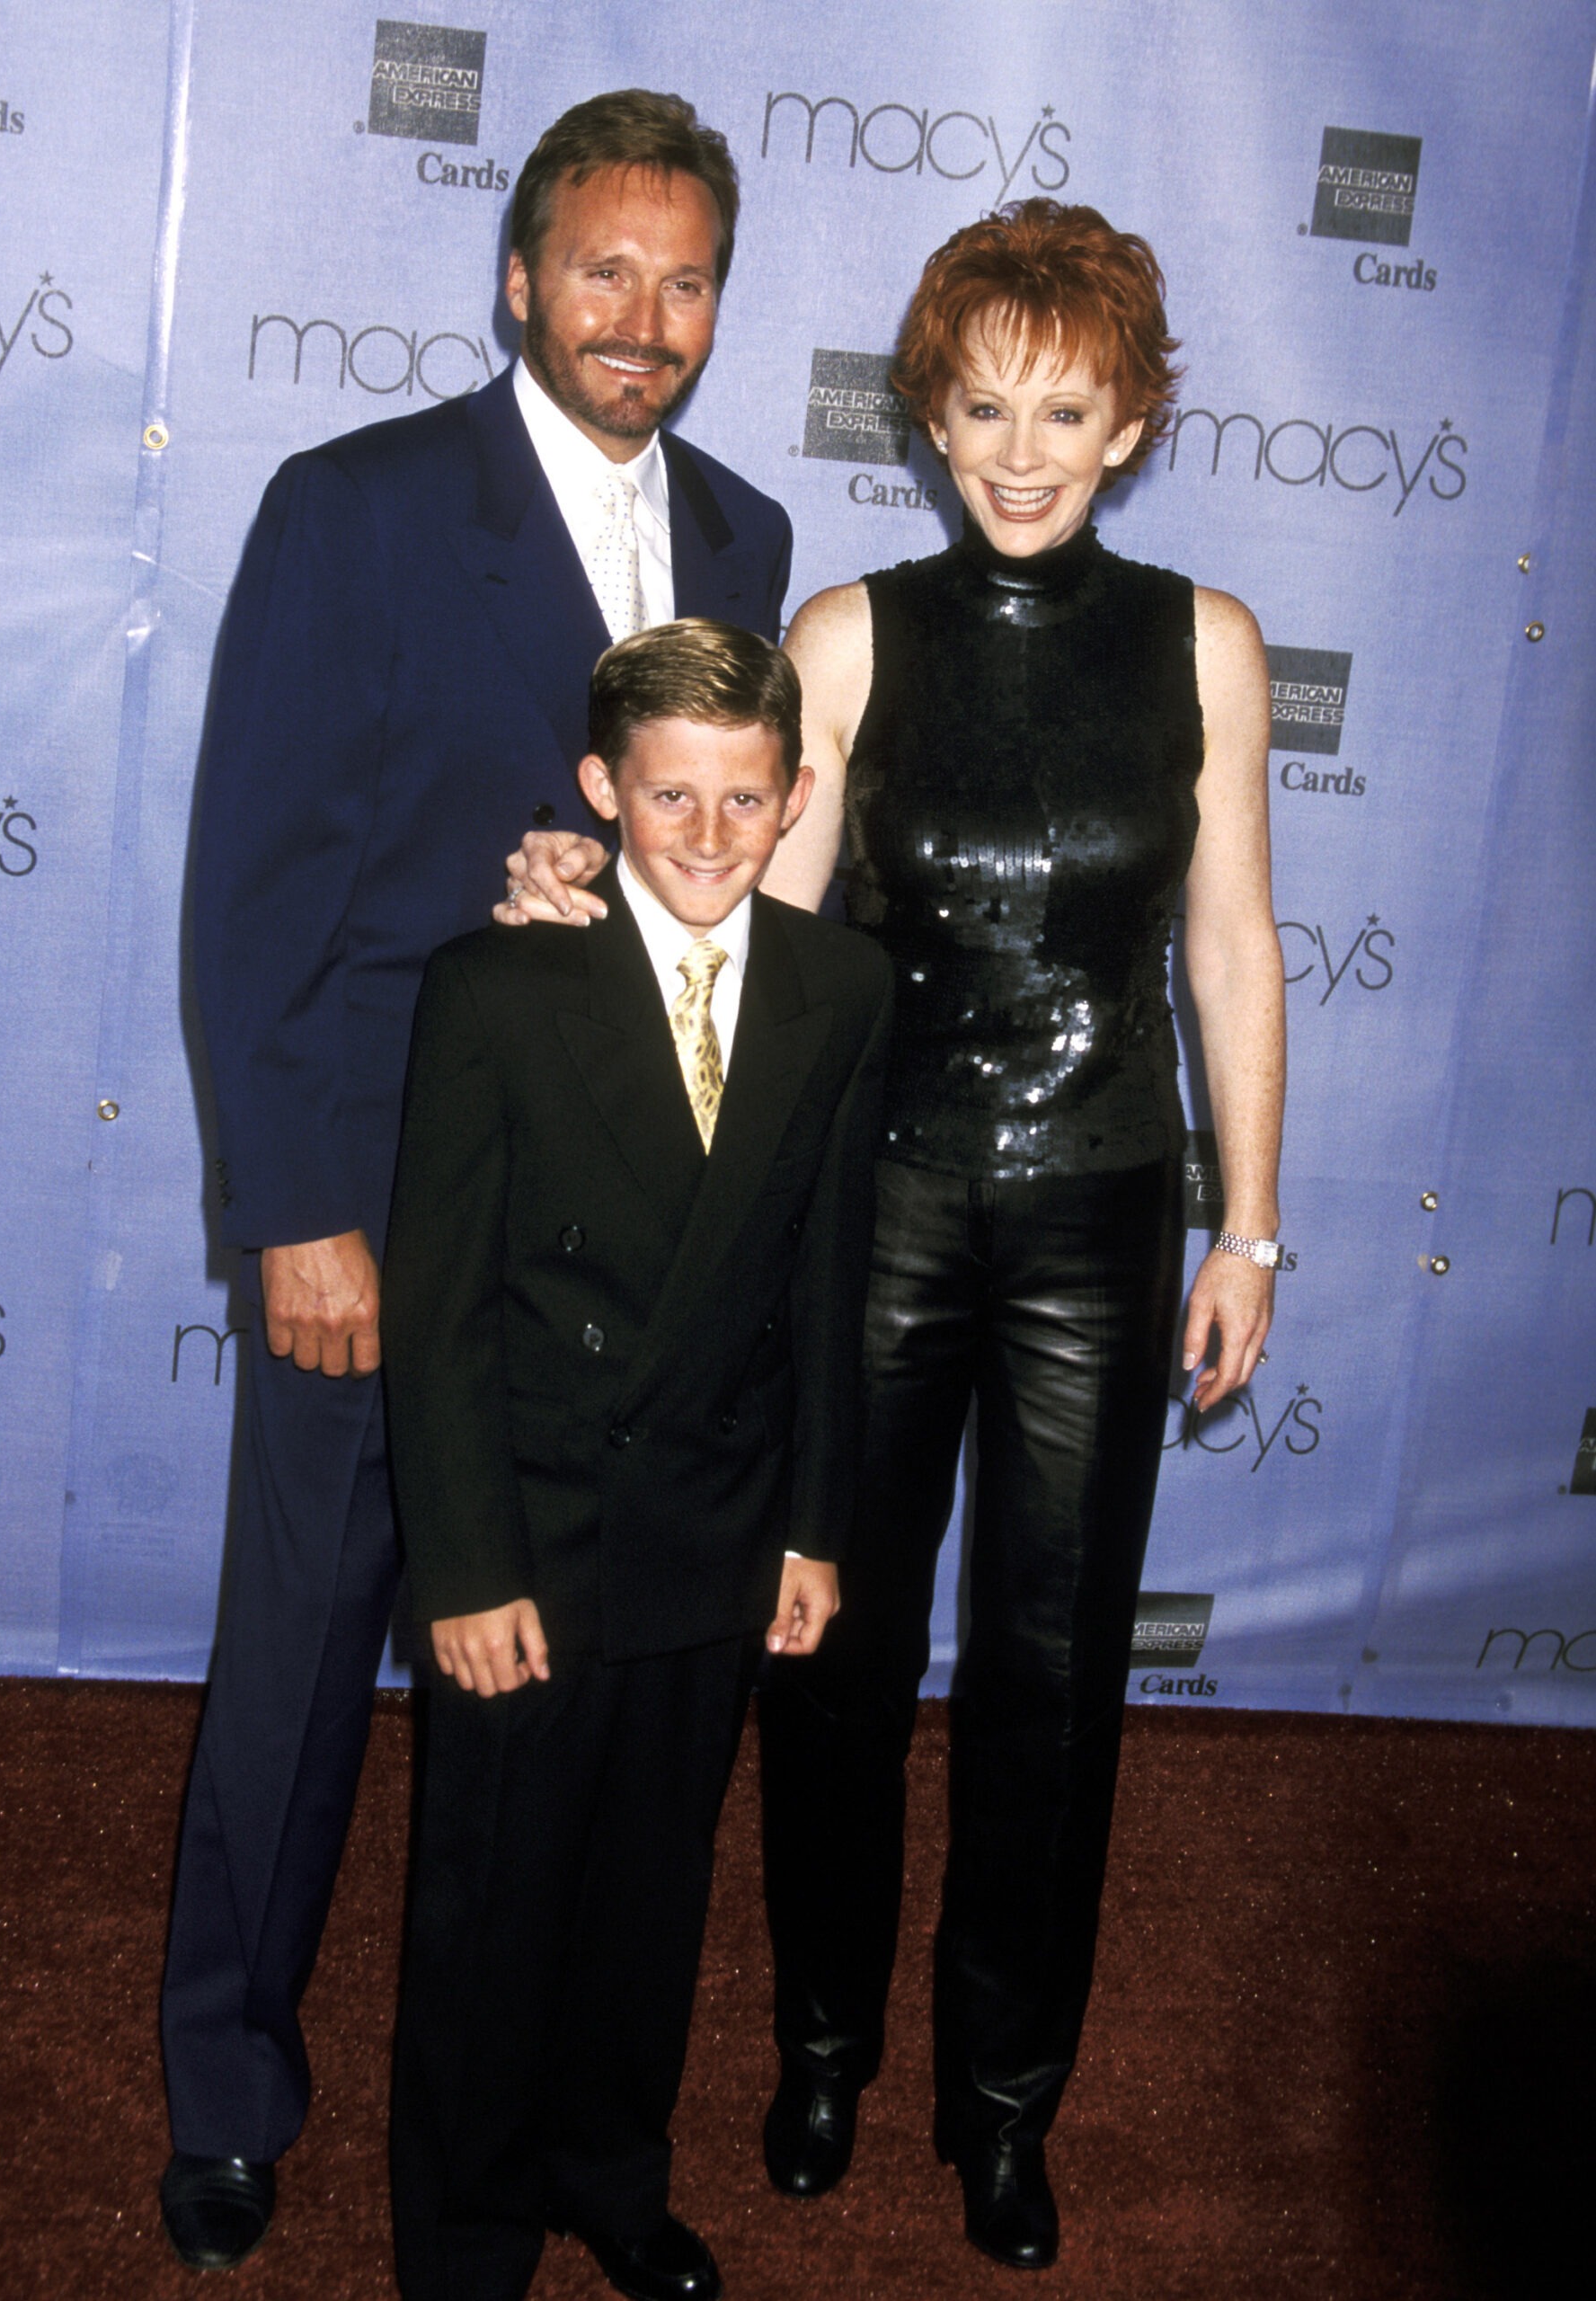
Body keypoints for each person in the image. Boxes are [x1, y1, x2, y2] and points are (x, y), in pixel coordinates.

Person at [503, 199, 1285, 2273]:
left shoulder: (1205, 641)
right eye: (978, 406)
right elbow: (756, 930)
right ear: (927, 417)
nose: (1018, 448)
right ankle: (830, 2043)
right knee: (830, 1661)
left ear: (1129, 421)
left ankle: (1004, 2098)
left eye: (1065, 406)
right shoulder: (848, 631)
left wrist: (1252, 1232)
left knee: (1053, 1678)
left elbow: (1230, 951)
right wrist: (581, 903)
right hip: (878, 1211)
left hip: (1103, 1213)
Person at [159, 91, 794, 2274]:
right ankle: (228, 2080)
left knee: (551, 1724)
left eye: (684, 277)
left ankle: (530, 2132)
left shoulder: (744, 536)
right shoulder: (356, 508)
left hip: (601, 1249)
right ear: (517, 276)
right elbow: (258, 892)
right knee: (299, 1662)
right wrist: (296, 1207)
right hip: (384, 1207)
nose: (643, 318)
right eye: (601, 269)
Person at [380, 618, 891, 2301]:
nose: (705, 836)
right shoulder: (496, 987)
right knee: (492, 1904)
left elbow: (822, 1277)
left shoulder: (837, 990)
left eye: (746, 801)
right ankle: (463, 2232)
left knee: (649, 1898)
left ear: (795, 794)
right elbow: (442, 1307)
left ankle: (611, 2173)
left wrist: (813, 1527)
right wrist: (463, 1567)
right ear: (601, 790)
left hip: (713, 1522)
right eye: (667, 797)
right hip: (530, 1527)